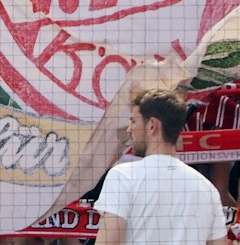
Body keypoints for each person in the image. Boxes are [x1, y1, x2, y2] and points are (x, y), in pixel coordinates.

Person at [94, 87, 223, 245]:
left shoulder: (123, 176)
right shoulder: (207, 189)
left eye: (133, 121)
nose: (129, 129)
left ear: (152, 125)